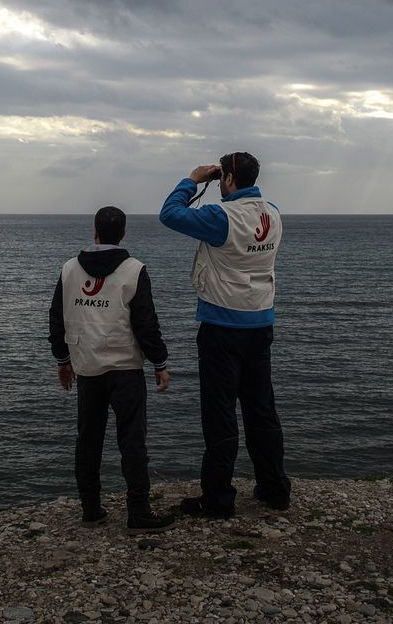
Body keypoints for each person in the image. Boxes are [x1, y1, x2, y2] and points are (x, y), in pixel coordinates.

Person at [158, 152, 290, 518]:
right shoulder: (273, 212)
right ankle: (275, 489)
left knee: (220, 416)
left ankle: (217, 499)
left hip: (221, 328)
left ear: (228, 178)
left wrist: (192, 179)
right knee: (261, 411)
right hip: (260, 322)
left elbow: (170, 214)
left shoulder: (222, 217)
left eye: (221, 177)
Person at [48, 205, 177, 532]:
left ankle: (91, 509)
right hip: (125, 368)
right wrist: (160, 362)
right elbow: (146, 323)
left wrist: (63, 361)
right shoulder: (134, 270)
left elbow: (57, 319)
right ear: (122, 234)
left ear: (94, 232)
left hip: (87, 367)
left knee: (88, 441)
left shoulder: (69, 270)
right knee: (132, 442)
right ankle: (138, 512)